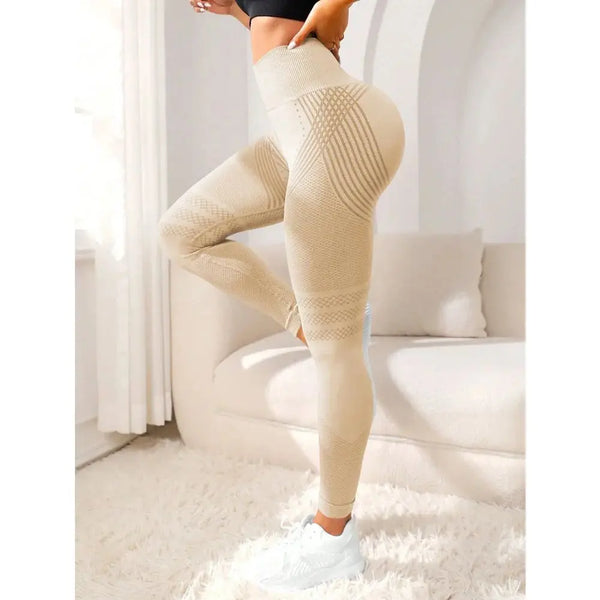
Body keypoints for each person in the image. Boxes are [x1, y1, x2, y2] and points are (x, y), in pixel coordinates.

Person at [158, 0, 405, 591]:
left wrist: (340, 3)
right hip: (301, 125)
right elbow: (280, 20)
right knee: (182, 231)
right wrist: (238, 13)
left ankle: (333, 537)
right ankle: (306, 322)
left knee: (337, 352)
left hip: (331, 124)